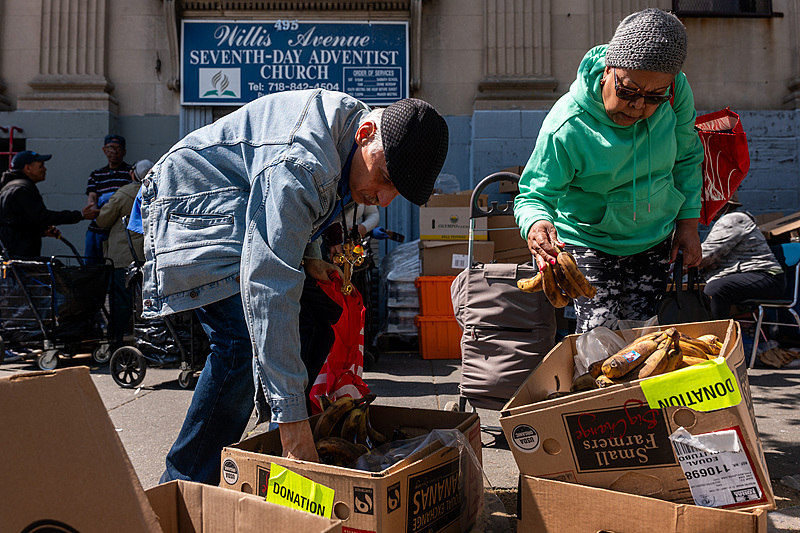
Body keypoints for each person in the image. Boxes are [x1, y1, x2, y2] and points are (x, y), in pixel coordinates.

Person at [140, 89, 448, 484]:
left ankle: (279, 452)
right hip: (190, 204)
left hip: (240, 206)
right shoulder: (303, 164)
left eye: (396, 192)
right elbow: (268, 284)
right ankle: (182, 485)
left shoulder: (349, 134)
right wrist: (292, 421)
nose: (383, 199)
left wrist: (312, 253)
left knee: (319, 318)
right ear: (366, 134)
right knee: (240, 344)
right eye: (385, 179)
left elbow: (295, 216)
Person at [514, 8, 704, 333]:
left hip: (653, 236)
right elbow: (534, 195)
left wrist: (688, 223)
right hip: (589, 238)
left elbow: (686, 156)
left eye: (654, 97)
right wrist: (537, 223)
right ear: (607, 71)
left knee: (642, 336)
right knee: (598, 335)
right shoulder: (567, 125)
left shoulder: (676, 92)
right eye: (628, 91)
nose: (638, 106)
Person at [94, 159, 153, 348]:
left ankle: (117, 340)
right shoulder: (158, 192)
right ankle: (149, 340)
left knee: (121, 301)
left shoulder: (124, 193)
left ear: (132, 174)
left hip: (123, 257)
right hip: (149, 256)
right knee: (147, 300)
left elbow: (102, 220)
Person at [700, 196, 786, 319]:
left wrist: (680, 263)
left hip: (766, 276)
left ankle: (718, 330)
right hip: (750, 276)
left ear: (722, 204)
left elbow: (706, 255)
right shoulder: (724, 221)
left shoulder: (732, 219)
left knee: (715, 288)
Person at [0, 150, 98, 258]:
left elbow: (20, 222)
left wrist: (41, 231)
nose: (45, 169)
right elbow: (42, 217)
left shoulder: (10, 187)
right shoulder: (22, 190)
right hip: (19, 255)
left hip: (13, 252)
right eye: (41, 166)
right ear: (28, 168)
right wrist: (80, 215)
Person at [84, 134, 132, 263]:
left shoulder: (130, 173)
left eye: (118, 148)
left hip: (117, 230)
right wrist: (93, 211)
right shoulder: (96, 174)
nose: (114, 152)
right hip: (97, 230)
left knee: (113, 267)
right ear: (104, 150)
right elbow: (92, 197)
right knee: (91, 267)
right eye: (110, 147)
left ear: (124, 151)